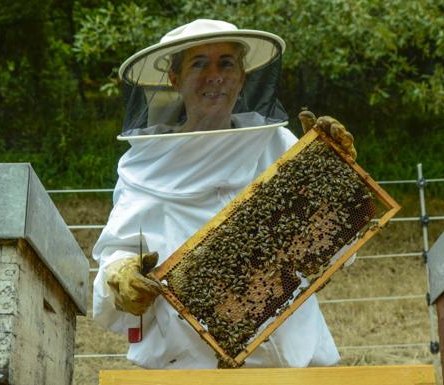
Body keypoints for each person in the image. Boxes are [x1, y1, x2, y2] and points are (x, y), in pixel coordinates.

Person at [92, 19, 357, 369]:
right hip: (191, 367)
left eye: (226, 63)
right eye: (199, 63)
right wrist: (121, 278)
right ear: (175, 78)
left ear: (243, 76)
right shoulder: (145, 165)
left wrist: (339, 180)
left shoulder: (276, 143)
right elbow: (119, 253)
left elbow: (333, 244)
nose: (214, 74)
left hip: (294, 364)